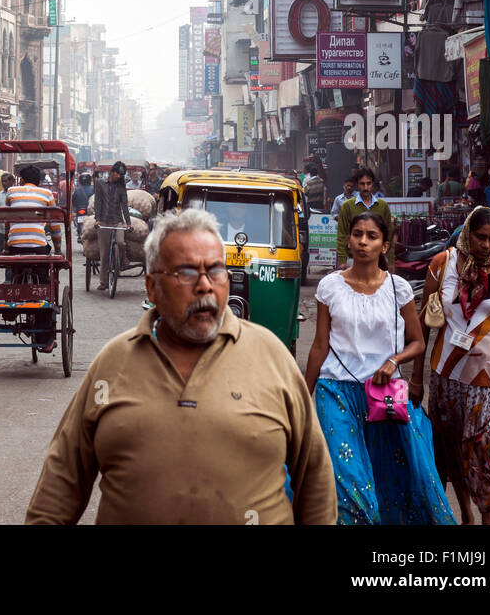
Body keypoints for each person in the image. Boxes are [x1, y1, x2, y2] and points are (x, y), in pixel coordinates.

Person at [25, 209, 337, 524]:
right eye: (186, 273)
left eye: (215, 271)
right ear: (151, 288)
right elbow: (61, 484)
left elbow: (315, 480)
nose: (205, 286)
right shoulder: (114, 363)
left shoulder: (272, 356)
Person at [305, 210, 454, 526]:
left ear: (385, 245)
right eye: (357, 234)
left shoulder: (398, 288)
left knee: (400, 477)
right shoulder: (329, 286)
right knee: (351, 485)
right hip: (336, 392)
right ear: (348, 240)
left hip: (384, 393)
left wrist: (394, 361)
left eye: (371, 236)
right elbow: (319, 345)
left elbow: (417, 342)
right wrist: (303, 396)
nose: (362, 242)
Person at [413, 206, 490, 525]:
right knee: (453, 452)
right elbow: (424, 324)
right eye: (480, 237)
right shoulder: (443, 265)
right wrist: (416, 378)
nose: (486, 245)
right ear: (468, 234)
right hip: (449, 378)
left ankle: (488, 517)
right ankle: (466, 512)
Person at [5, 166, 61, 352]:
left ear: (21, 180)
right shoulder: (47, 194)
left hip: (15, 246)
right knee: (45, 286)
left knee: (14, 270)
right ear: (39, 181)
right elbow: (54, 226)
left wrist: (8, 244)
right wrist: (59, 249)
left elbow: (7, 220)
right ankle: (45, 338)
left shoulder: (12, 191)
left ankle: (11, 300)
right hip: (38, 247)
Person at [336, 167, 395, 268]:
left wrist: (391, 261)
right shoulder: (347, 206)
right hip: (354, 259)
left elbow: (389, 234)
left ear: (373, 184)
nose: (366, 187)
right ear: (357, 185)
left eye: (369, 183)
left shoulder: (382, 206)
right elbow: (342, 234)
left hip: (378, 260)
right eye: (362, 184)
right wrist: (342, 260)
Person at [94, 161, 131, 292]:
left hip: (117, 221)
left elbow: (124, 206)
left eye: (122, 175)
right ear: (112, 172)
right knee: (104, 254)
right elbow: (97, 202)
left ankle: (122, 259)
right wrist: (97, 219)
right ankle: (103, 282)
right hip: (103, 221)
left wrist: (128, 222)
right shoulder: (100, 184)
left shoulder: (121, 187)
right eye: (118, 174)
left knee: (120, 242)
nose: (119, 177)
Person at [0, 172, 15, 254]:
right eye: (2, 181)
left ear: (11, 182)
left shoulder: (16, 194)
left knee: (10, 251)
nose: (3, 183)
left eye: (5, 181)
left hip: (12, 229)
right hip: (1, 228)